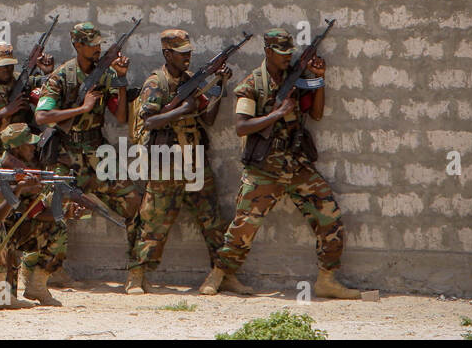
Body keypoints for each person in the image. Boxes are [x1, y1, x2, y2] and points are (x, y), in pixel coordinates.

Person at [200, 29, 361, 299]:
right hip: (264, 167)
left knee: (329, 217)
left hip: (297, 164)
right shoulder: (252, 84)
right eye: (282, 53)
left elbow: (317, 114)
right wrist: (277, 114)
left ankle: (327, 279)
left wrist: (319, 80)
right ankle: (219, 275)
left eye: (290, 53)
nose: (287, 58)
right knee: (243, 227)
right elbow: (241, 127)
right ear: (268, 52)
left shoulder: (296, 80)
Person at [128, 29, 247, 294]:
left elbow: (208, 118)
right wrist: (182, 109)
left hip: (194, 160)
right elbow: (148, 121)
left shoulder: (193, 80)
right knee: (153, 220)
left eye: (189, 53)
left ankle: (224, 274)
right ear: (167, 54)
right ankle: (137, 276)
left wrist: (220, 85)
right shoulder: (155, 83)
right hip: (165, 161)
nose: (187, 58)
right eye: (182, 54)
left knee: (212, 220)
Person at [34, 21, 141, 264]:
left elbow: (122, 117)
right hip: (65, 154)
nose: (97, 49)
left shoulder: (107, 74)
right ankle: (50, 268)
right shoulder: (61, 76)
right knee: (52, 207)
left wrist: (121, 80)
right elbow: (42, 116)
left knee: (133, 199)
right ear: (77, 45)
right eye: (92, 45)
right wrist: (82, 108)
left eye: (99, 44)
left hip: (97, 152)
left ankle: (137, 269)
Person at [0, 123, 66, 307]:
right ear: (17, 148)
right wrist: (19, 187)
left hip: (13, 230)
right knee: (0, 232)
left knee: (58, 227)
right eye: (29, 144)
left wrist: (64, 211)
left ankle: (37, 285)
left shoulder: (25, 170)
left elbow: (34, 212)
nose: (34, 147)